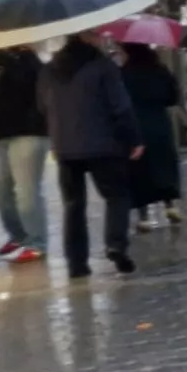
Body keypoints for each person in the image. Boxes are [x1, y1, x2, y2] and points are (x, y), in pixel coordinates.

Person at [40, 32, 143, 279]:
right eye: (96, 34)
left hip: (65, 147)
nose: (100, 37)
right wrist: (134, 139)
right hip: (104, 144)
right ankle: (115, 244)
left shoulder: (48, 70)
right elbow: (121, 106)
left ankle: (76, 264)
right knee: (117, 196)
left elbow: (42, 107)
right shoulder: (103, 66)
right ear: (87, 37)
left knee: (73, 205)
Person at [0, 46, 50, 264]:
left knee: (26, 191)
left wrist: (11, 56)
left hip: (29, 133)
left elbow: (30, 85)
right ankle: (18, 235)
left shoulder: (34, 65)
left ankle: (36, 243)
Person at [119, 43, 184, 230]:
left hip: (135, 125)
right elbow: (173, 97)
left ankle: (144, 216)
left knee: (139, 170)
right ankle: (170, 205)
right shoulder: (160, 70)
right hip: (159, 124)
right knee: (164, 164)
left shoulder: (123, 73)